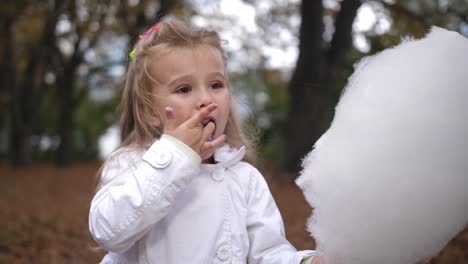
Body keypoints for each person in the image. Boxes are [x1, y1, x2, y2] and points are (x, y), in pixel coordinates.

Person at [89, 18, 318, 264]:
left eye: (216, 84)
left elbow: (268, 253)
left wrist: (303, 262)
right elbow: (108, 231)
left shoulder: (245, 179)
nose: (206, 99)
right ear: (149, 111)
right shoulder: (132, 164)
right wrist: (175, 154)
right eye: (184, 89)